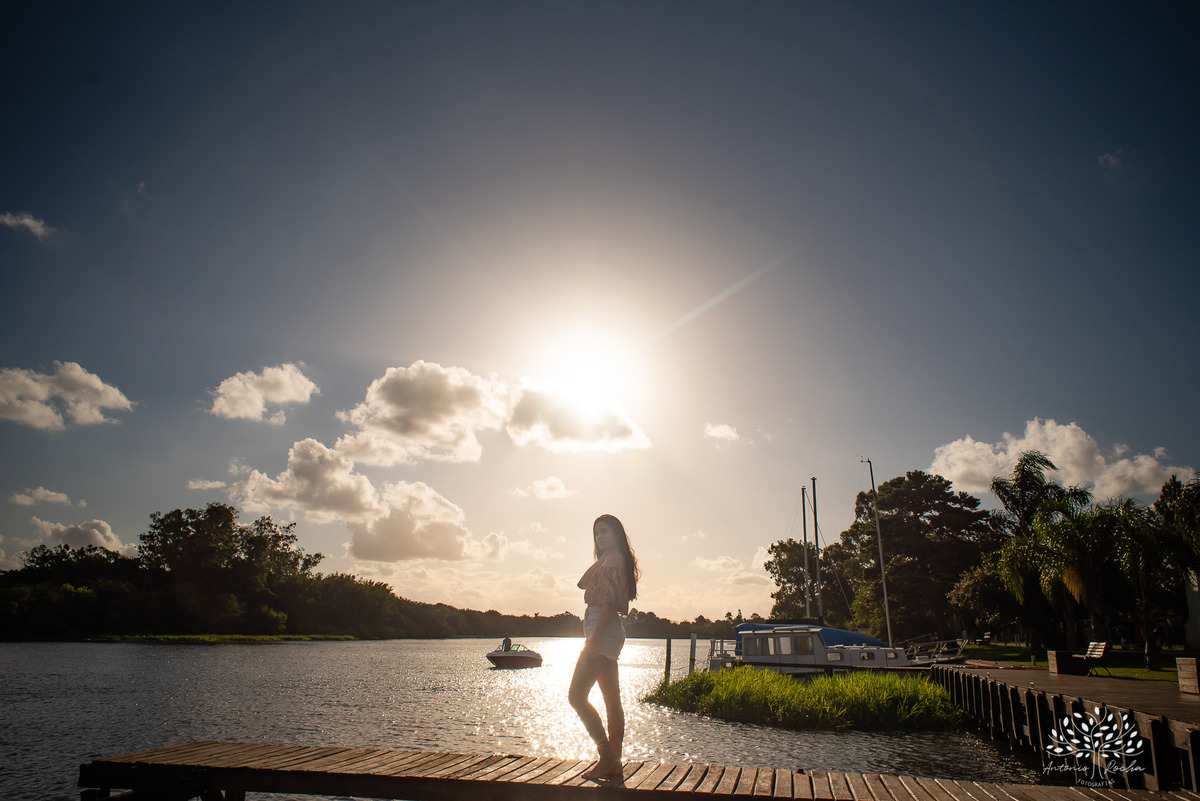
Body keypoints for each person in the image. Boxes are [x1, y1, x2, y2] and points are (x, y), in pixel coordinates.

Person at [569, 514, 640, 781]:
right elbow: (582, 583)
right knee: (611, 701)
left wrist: (594, 640)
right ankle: (614, 762)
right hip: (606, 630)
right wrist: (601, 557)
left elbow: (609, 604)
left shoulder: (614, 559)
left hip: (602, 628)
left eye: (605, 532)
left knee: (576, 696)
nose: (599, 537)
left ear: (617, 534)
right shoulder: (611, 559)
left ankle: (607, 757)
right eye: (596, 533)